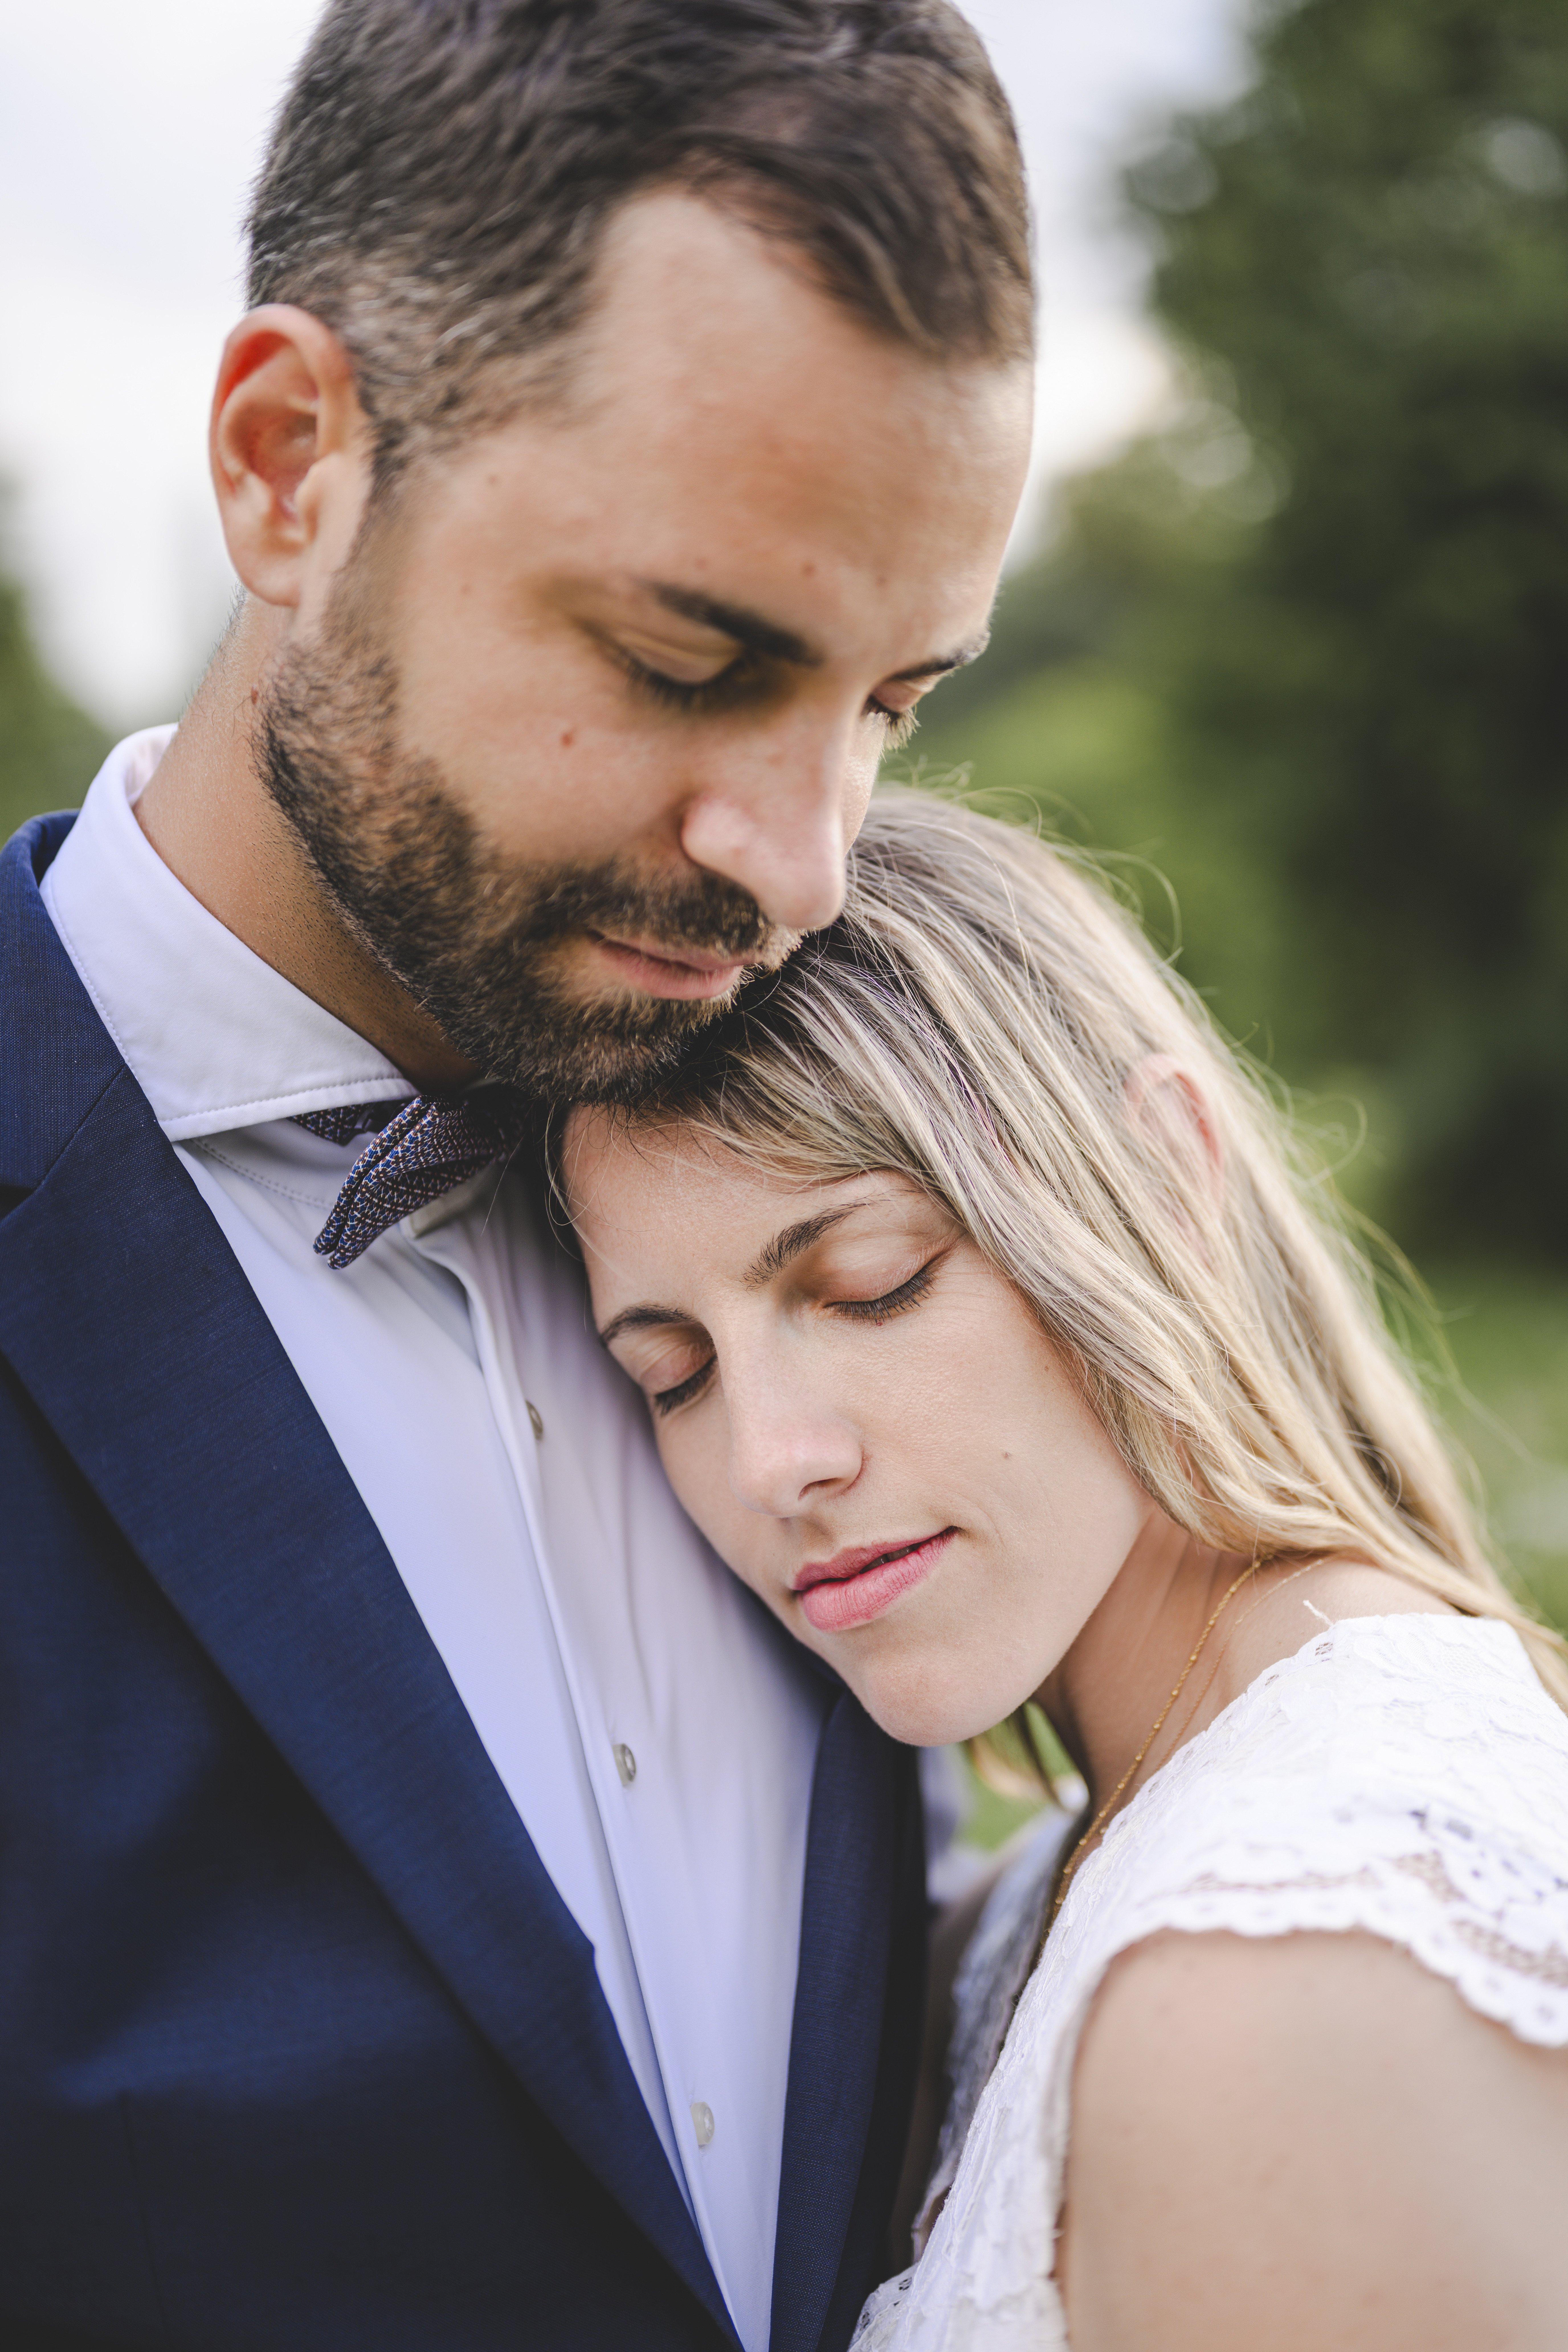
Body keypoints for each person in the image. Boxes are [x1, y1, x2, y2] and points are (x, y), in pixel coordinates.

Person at [0, 6, 1034, 2346]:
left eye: (891, 703)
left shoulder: (840, 1218)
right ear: (290, 467)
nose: (804, 867)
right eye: (690, 658)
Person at [566, 790, 1568, 2352]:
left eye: (869, 1284)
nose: (773, 1460)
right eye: (674, 1373)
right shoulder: (1090, 1859)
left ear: (1164, 1173)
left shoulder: (1295, 1969)